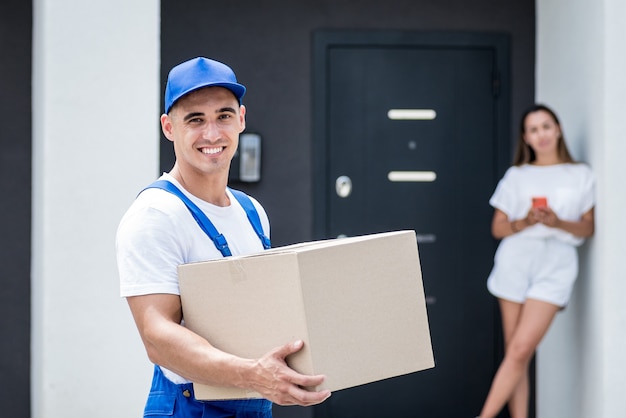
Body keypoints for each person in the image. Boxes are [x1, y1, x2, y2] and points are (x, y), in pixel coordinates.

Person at [116, 57, 331, 417]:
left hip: (253, 401)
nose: (212, 134)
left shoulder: (251, 212)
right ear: (169, 127)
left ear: (242, 119)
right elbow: (157, 337)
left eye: (224, 116)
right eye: (195, 120)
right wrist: (254, 375)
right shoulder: (156, 216)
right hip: (189, 406)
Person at [477, 104, 595, 418]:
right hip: (516, 261)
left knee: (520, 349)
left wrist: (557, 222)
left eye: (546, 126)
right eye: (533, 129)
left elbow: (587, 227)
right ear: (526, 138)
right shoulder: (517, 176)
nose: (541, 134)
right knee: (517, 356)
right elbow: (497, 228)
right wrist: (528, 221)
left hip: (556, 265)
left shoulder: (581, 174)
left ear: (557, 129)